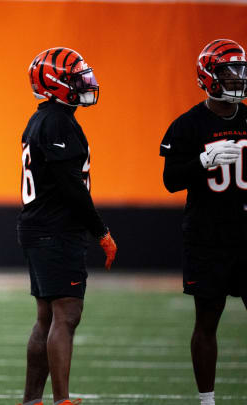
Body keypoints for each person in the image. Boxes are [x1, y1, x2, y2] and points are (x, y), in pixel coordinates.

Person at [17, 47, 117, 405]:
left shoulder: (43, 119)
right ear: (55, 84)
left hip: (41, 226)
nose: (84, 83)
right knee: (67, 313)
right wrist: (101, 231)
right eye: (75, 77)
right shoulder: (57, 121)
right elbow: (70, 185)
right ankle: (61, 400)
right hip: (55, 228)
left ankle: (32, 400)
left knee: (47, 316)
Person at [159, 38, 247, 405]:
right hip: (208, 238)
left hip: (246, 236)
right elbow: (170, 180)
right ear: (208, 76)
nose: (237, 78)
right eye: (229, 71)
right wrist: (202, 162)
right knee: (207, 321)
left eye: (240, 70)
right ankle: (206, 399)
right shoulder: (188, 125)